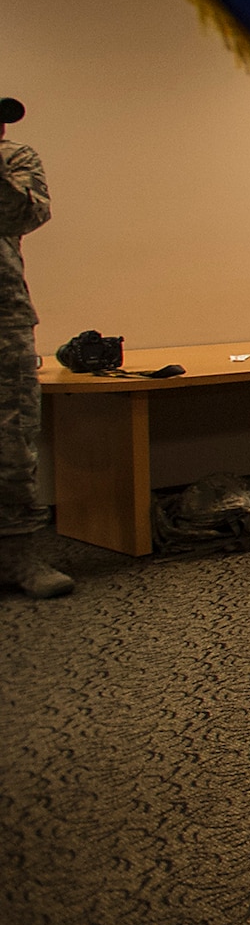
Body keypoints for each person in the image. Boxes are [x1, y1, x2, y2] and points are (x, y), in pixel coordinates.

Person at [0, 97, 64, 599]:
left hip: (4, 319)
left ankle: (18, 554)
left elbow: (24, 214)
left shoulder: (17, 158)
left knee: (14, 438)